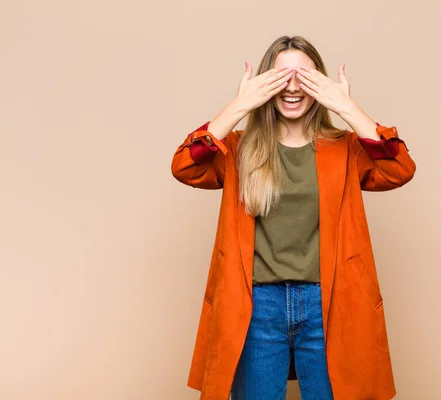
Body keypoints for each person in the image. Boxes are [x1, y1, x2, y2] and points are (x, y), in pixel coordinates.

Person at [171, 35, 416, 400]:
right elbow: (185, 166)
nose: (292, 87)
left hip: (329, 305)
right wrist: (238, 106)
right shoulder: (239, 149)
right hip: (257, 308)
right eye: (281, 76)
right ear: (264, 86)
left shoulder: (344, 148)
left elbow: (399, 168)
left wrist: (347, 107)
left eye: (304, 76)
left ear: (320, 85)